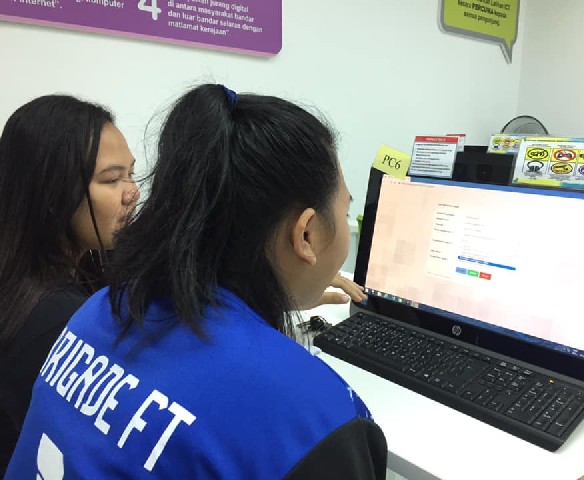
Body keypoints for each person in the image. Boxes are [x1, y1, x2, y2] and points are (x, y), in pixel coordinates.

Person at [6, 84, 387, 479]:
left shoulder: (98, 310)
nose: (131, 193)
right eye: (344, 212)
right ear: (306, 234)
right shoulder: (320, 419)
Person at [0, 95, 139, 474]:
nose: (133, 193)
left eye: (132, 174)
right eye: (112, 179)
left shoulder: (79, 274)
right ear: (52, 192)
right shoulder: (56, 321)